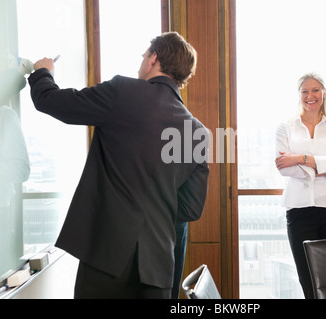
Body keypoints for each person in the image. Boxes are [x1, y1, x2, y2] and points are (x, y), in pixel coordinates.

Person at [28, 32, 210, 299]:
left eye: (144, 55)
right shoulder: (198, 132)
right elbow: (191, 208)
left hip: (106, 256)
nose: (142, 61)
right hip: (158, 267)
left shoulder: (123, 92)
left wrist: (43, 73)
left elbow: (50, 101)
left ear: (154, 59)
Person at [275, 73, 326, 299]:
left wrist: (299, 158)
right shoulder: (285, 128)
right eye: (305, 91)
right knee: (307, 278)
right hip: (299, 211)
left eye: (315, 90)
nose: (310, 95)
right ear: (299, 95)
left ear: (324, 93)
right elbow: (283, 167)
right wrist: (324, 162)